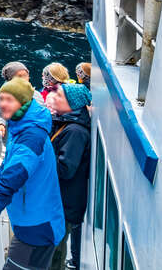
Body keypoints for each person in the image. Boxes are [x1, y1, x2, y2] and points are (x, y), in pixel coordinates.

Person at [0, 77, 66, 270]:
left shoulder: (31, 138)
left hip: (38, 228)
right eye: (1, 99)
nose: (3, 104)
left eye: (9, 100)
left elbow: (11, 181)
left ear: (23, 102)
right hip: (29, 223)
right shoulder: (19, 127)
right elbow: (7, 166)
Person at [47, 83, 93, 270]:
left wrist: (39, 160)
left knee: (53, 251)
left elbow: (66, 169)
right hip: (59, 201)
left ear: (72, 104)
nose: (53, 97)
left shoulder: (74, 132)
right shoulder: (66, 124)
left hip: (63, 204)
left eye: (59, 95)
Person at [0, 61, 31, 138]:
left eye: (26, 75)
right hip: (12, 137)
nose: (24, 79)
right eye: (19, 76)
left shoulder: (35, 94)